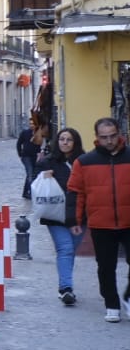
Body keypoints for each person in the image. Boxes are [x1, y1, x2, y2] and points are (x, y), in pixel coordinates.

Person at [65, 117, 130, 322]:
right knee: (105, 266)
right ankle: (111, 304)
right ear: (96, 138)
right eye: (104, 137)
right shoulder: (84, 162)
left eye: (112, 136)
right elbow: (76, 192)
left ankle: (129, 296)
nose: (109, 141)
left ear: (119, 133)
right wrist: (74, 221)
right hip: (101, 223)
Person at [36, 126, 84, 306]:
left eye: (69, 139)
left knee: (70, 250)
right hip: (56, 214)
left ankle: (65, 284)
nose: (65, 143)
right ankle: (66, 289)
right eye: (62, 139)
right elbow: (33, 183)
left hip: (80, 214)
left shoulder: (83, 161)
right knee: (65, 249)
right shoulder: (48, 161)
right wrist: (43, 177)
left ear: (75, 142)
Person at [17, 119, 40, 199]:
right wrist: (20, 154)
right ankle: (30, 192)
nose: (31, 125)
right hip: (26, 156)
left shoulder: (39, 133)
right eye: (30, 124)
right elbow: (19, 143)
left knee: (32, 174)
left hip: (35, 157)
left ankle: (25, 192)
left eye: (33, 124)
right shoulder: (25, 133)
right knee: (30, 173)